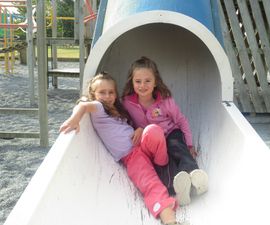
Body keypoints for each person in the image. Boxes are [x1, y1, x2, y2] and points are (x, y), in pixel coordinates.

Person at [59, 73, 188, 225]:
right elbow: (83, 106)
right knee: (150, 185)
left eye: (111, 92)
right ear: (93, 94)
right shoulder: (99, 108)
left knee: (152, 130)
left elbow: (130, 129)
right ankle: (170, 220)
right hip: (132, 156)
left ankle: (165, 169)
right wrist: (74, 120)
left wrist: (139, 129)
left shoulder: (116, 111)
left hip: (141, 145)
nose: (107, 96)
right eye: (102, 92)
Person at [122, 56, 208, 206]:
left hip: (170, 133)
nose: (143, 85)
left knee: (177, 149)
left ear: (156, 82)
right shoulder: (128, 102)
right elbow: (124, 121)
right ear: (132, 82)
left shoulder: (165, 101)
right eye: (138, 81)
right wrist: (136, 129)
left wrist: (188, 144)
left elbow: (181, 121)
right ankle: (179, 187)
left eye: (148, 81)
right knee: (164, 163)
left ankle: (195, 175)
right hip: (152, 141)